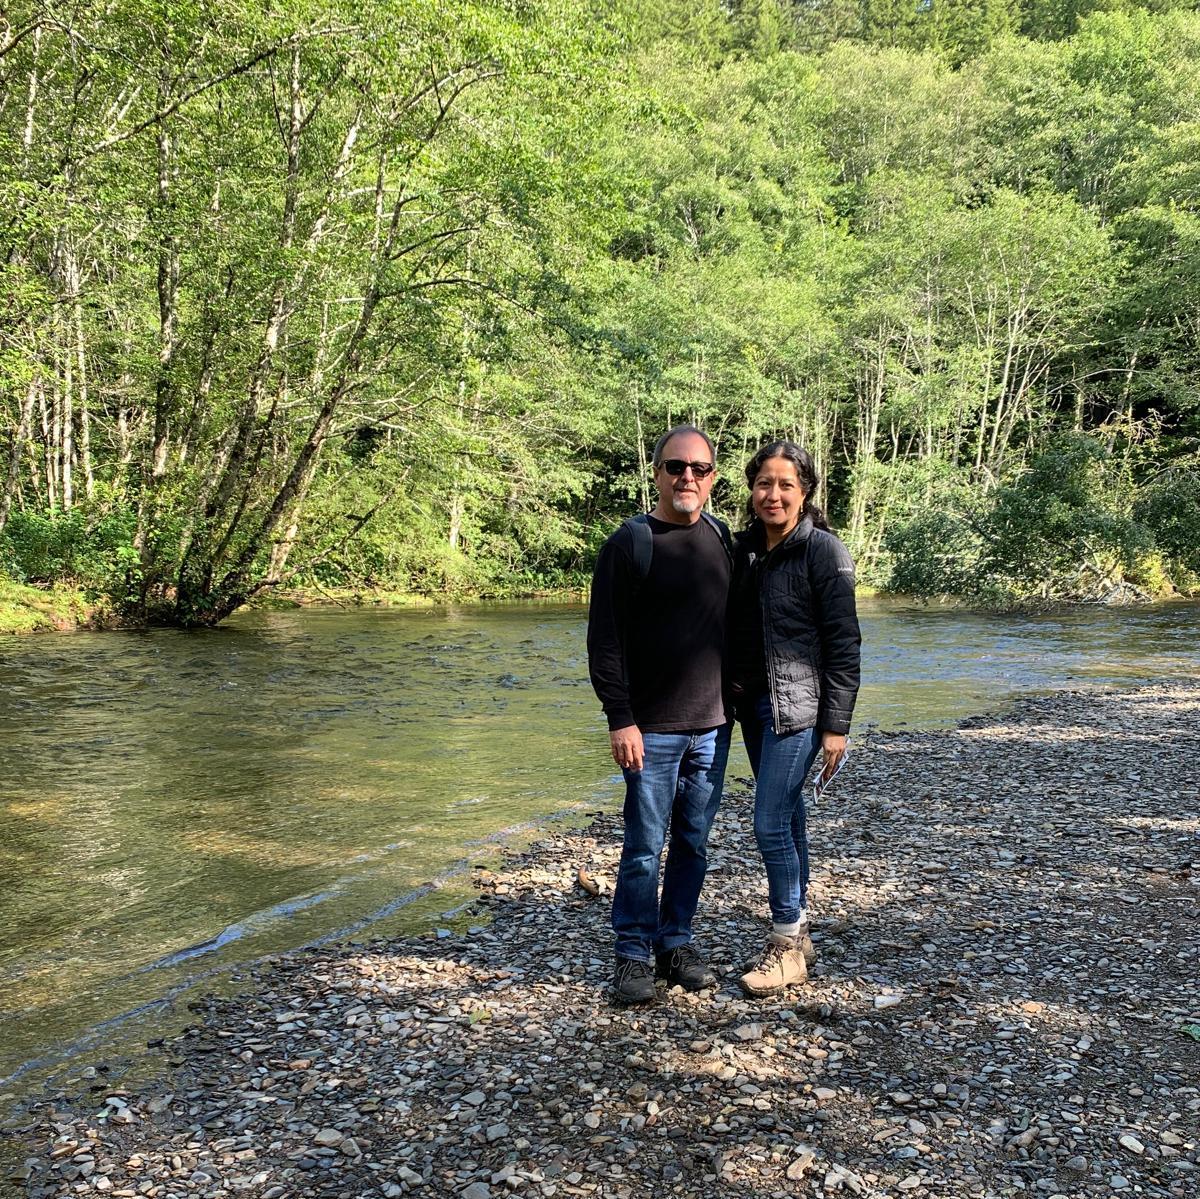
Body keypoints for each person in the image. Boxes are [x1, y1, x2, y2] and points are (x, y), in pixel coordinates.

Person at [587, 425, 733, 1003]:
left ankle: (675, 943)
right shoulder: (629, 543)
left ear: (713, 478)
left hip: (713, 727)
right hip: (649, 730)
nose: (687, 478)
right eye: (676, 467)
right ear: (656, 472)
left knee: (694, 842)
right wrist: (619, 718)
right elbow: (605, 643)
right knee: (645, 844)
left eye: (699, 469)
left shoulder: (722, 538)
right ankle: (631, 953)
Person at [727, 440, 861, 997]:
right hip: (754, 706)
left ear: (805, 491)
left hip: (801, 710)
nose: (773, 494)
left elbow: (844, 643)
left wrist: (837, 724)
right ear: (751, 490)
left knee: (768, 821)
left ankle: (785, 943)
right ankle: (800, 930)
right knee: (789, 816)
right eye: (764, 483)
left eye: (785, 484)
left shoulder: (823, 551)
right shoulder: (741, 550)